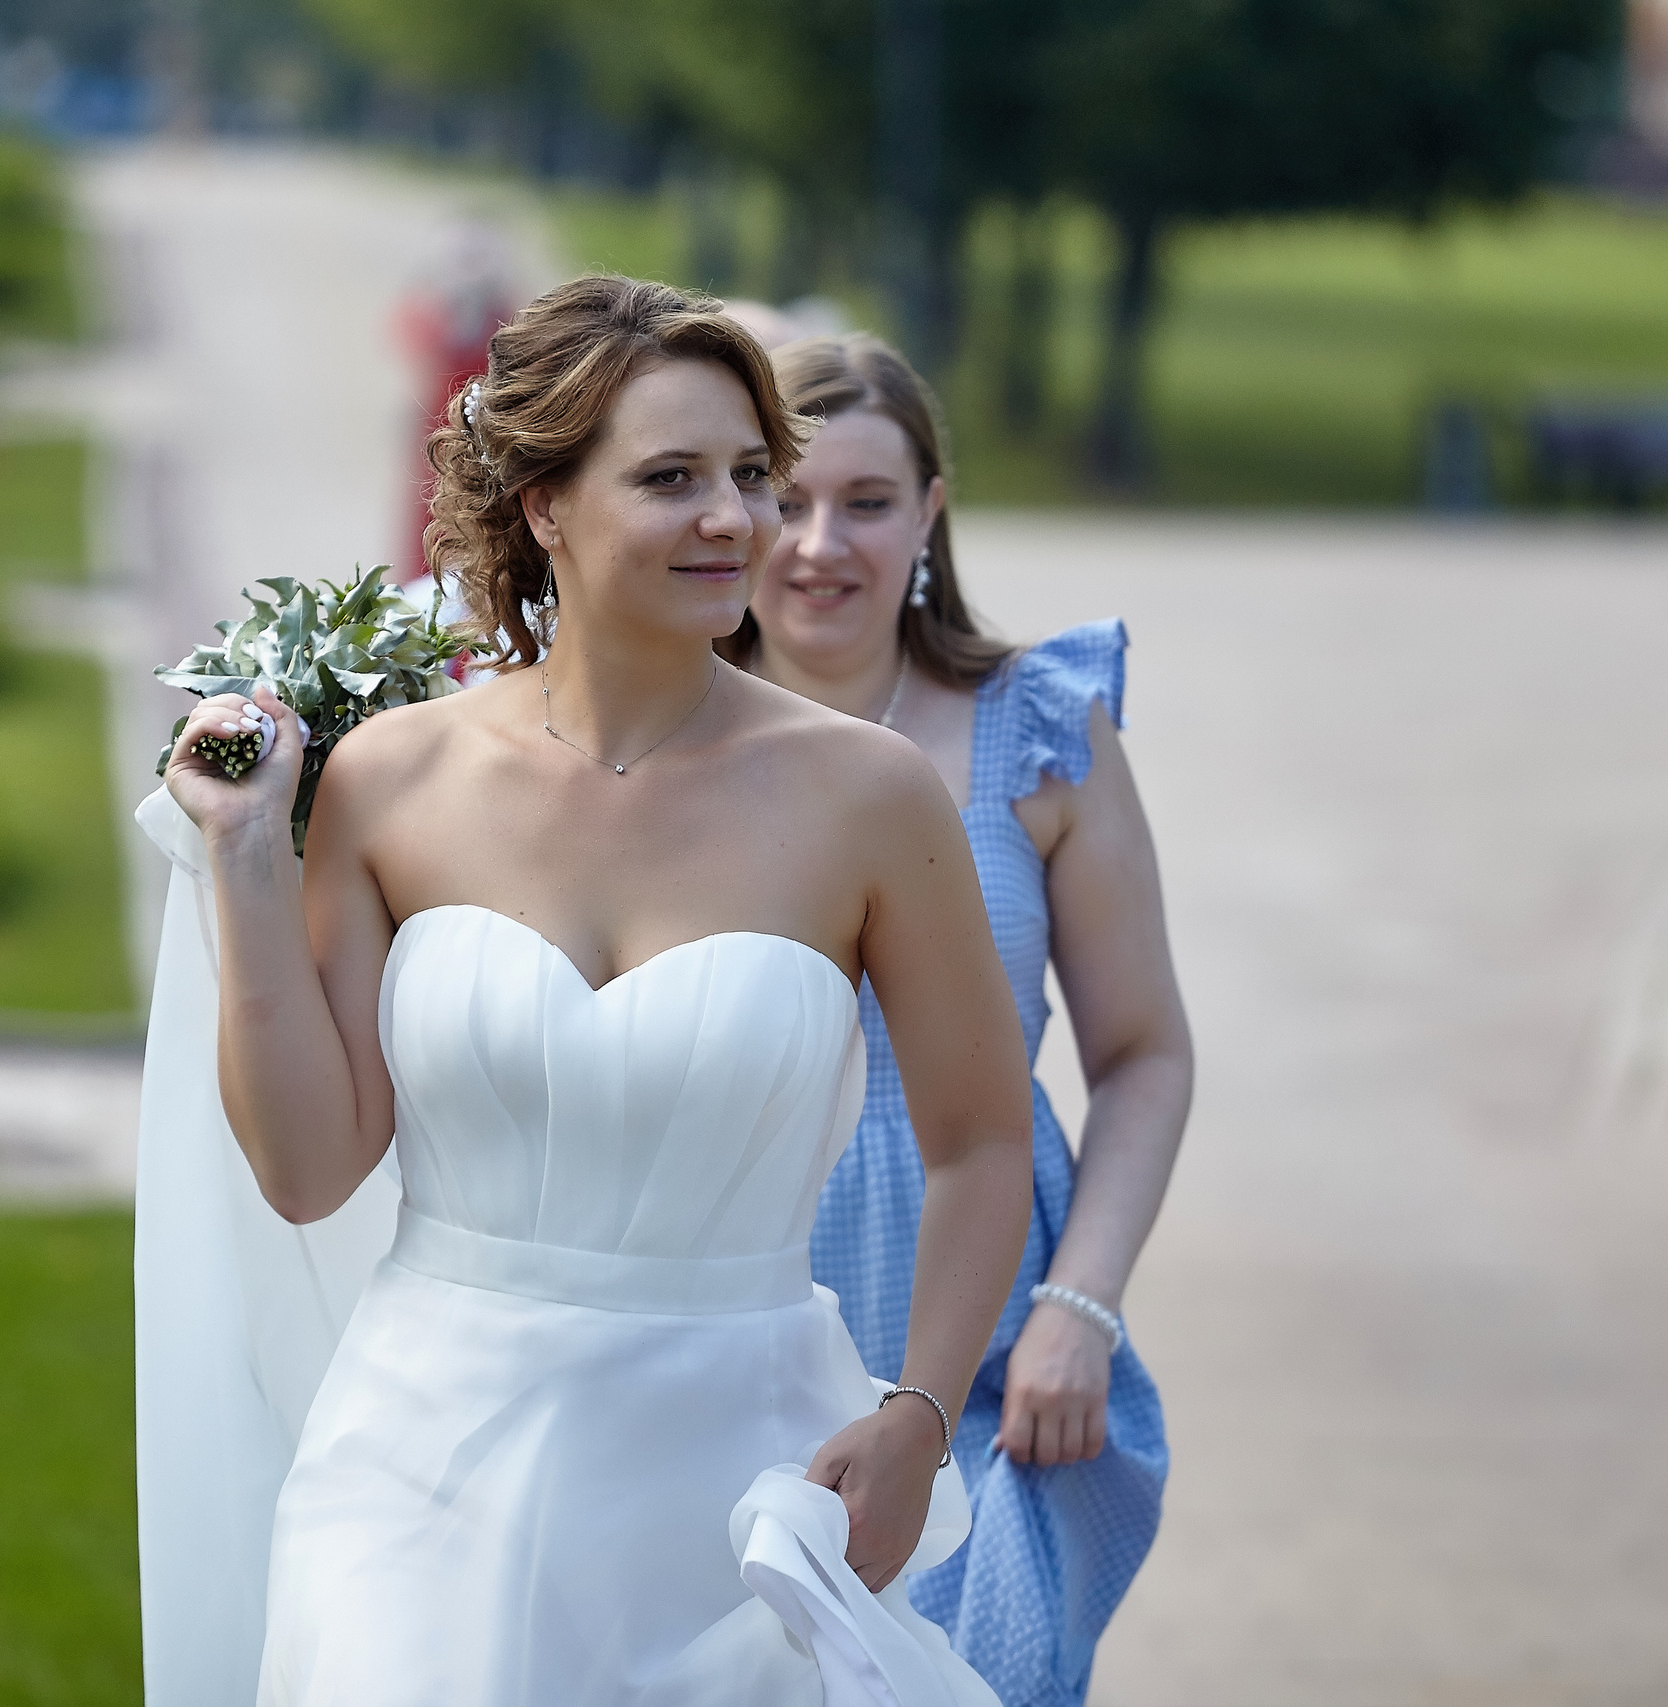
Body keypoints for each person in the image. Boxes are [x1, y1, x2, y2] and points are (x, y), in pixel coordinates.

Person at [153, 276, 1036, 1705]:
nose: (736, 521)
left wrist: (921, 1415)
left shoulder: (868, 797)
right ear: (546, 506)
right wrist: (247, 858)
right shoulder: (395, 779)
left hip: (739, 1478)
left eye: (753, 475)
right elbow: (311, 1170)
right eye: (673, 478)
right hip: (420, 1471)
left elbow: (983, 1140)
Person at [725, 333, 1190, 1707]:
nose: (819, 544)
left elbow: (1145, 1055)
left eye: (866, 502)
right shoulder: (661, 751)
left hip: (984, 1370)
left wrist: (1081, 1309)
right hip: (730, 1336)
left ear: (930, 512)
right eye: (785, 496)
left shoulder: (1038, 733)